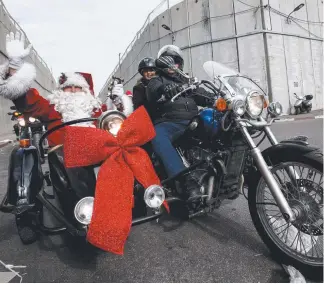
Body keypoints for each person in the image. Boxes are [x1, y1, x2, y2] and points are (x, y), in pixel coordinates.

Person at [146, 45, 213, 201]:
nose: (172, 65)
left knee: (220, 120)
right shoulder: (157, 80)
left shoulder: (187, 81)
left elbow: (202, 94)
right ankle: (185, 179)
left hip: (194, 120)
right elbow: (154, 91)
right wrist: (165, 88)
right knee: (157, 136)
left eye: (175, 61)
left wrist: (216, 98)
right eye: (168, 62)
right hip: (171, 122)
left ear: (180, 64)